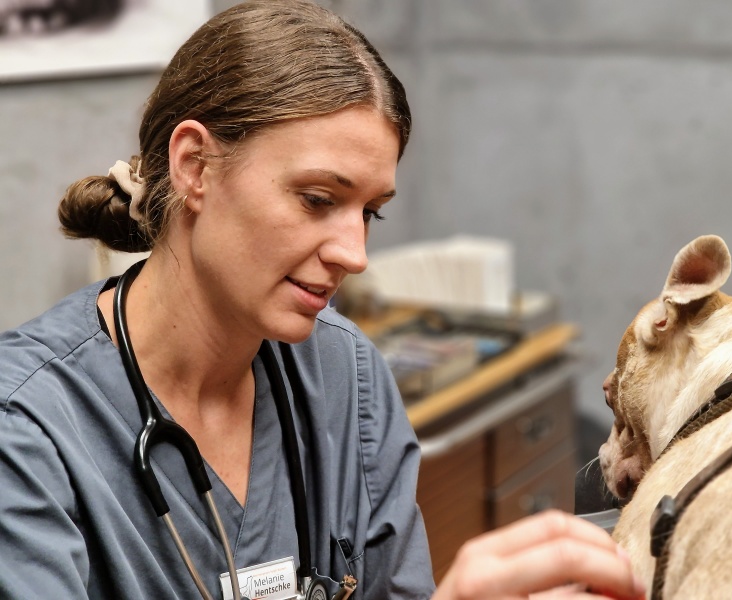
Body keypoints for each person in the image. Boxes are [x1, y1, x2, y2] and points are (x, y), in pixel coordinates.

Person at [0, 1, 646, 599]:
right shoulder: (26, 431)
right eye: (317, 200)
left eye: (371, 213)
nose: (354, 254)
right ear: (194, 166)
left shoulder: (346, 375)